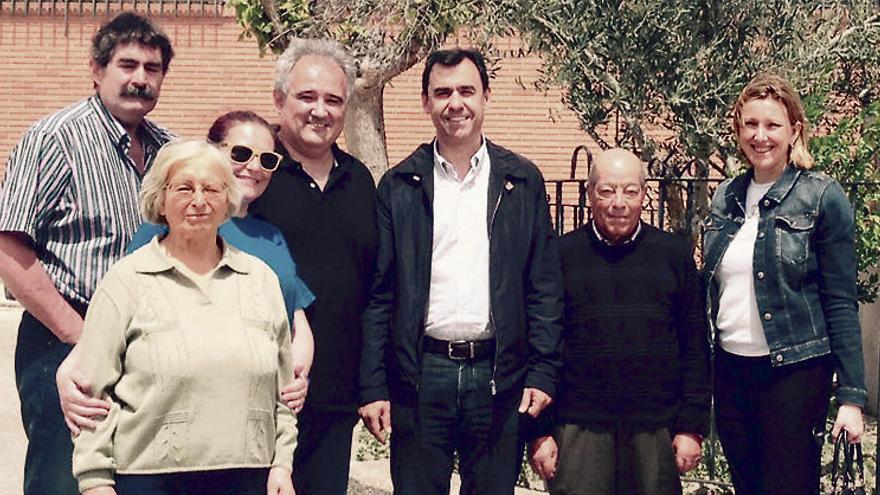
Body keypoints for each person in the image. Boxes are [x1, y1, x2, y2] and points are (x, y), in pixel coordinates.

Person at [359, 48, 564, 494]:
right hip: (420, 374)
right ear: (426, 102)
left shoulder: (522, 182)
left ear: (486, 96)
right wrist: (374, 384)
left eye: (467, 90)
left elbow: (543, 287)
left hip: (496, 374)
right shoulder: (399, 186)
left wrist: (542, 371)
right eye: (443, 92)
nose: (456, 103)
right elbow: (381, 294)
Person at [56, 111, 316, 434]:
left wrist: (298, 374)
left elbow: (296, 317)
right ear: (214, 152)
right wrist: (70, 369)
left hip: (262, 409)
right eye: (241, 153)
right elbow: (117, 312)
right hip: (186, 410)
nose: (253, 166)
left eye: (267, 159)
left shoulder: (272, 236)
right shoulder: (167, 226)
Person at [0, 12, 174, 494]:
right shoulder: (55, 138)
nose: (140, 78)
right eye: (128, 64)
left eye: (153, 68)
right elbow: (9, 245)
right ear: (97, 70)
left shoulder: (168, 150)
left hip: (145, 347)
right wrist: (80, 336)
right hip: (65, 338)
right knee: (65, 476)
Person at [71, 140, 297, 495]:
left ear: (228, 199)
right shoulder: (127, 281)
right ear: (161, 199)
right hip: (148, 480)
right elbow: (93, 394)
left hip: (249, 477)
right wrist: (94, 481)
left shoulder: (261, 280)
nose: (199, 200)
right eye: (184, 188)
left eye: (211, 188)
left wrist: (282, 464)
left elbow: (282, 394)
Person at [702, 73, 867, 494]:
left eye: (772, 125)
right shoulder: (726, 197)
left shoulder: (821, 196)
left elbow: (840, 301)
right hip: (732, 371)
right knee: (747, 485)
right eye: (751, 124)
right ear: (739, 130)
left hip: (794, 374)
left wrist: (851, 397)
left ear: (795, 129)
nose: (761, 136)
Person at [528, 148, 711, 494]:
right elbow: (540, 345)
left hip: (655, 429)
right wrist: (539, 432)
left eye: (630, 190)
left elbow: (695, 347)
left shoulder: (673, 255)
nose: (619, 203)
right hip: (578, 428)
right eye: (607, 191)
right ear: (590, 193)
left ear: (644, 194)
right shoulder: (560, 256)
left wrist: (692, 427)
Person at [248, 39, 378, 495]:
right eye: (307, 97)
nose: (320, 110)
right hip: (257, 395)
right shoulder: (253, 173)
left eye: (333, 100)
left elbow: (372, 288)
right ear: (279, 99)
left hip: (334, 399)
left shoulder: (358, 180)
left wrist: (369, 385)